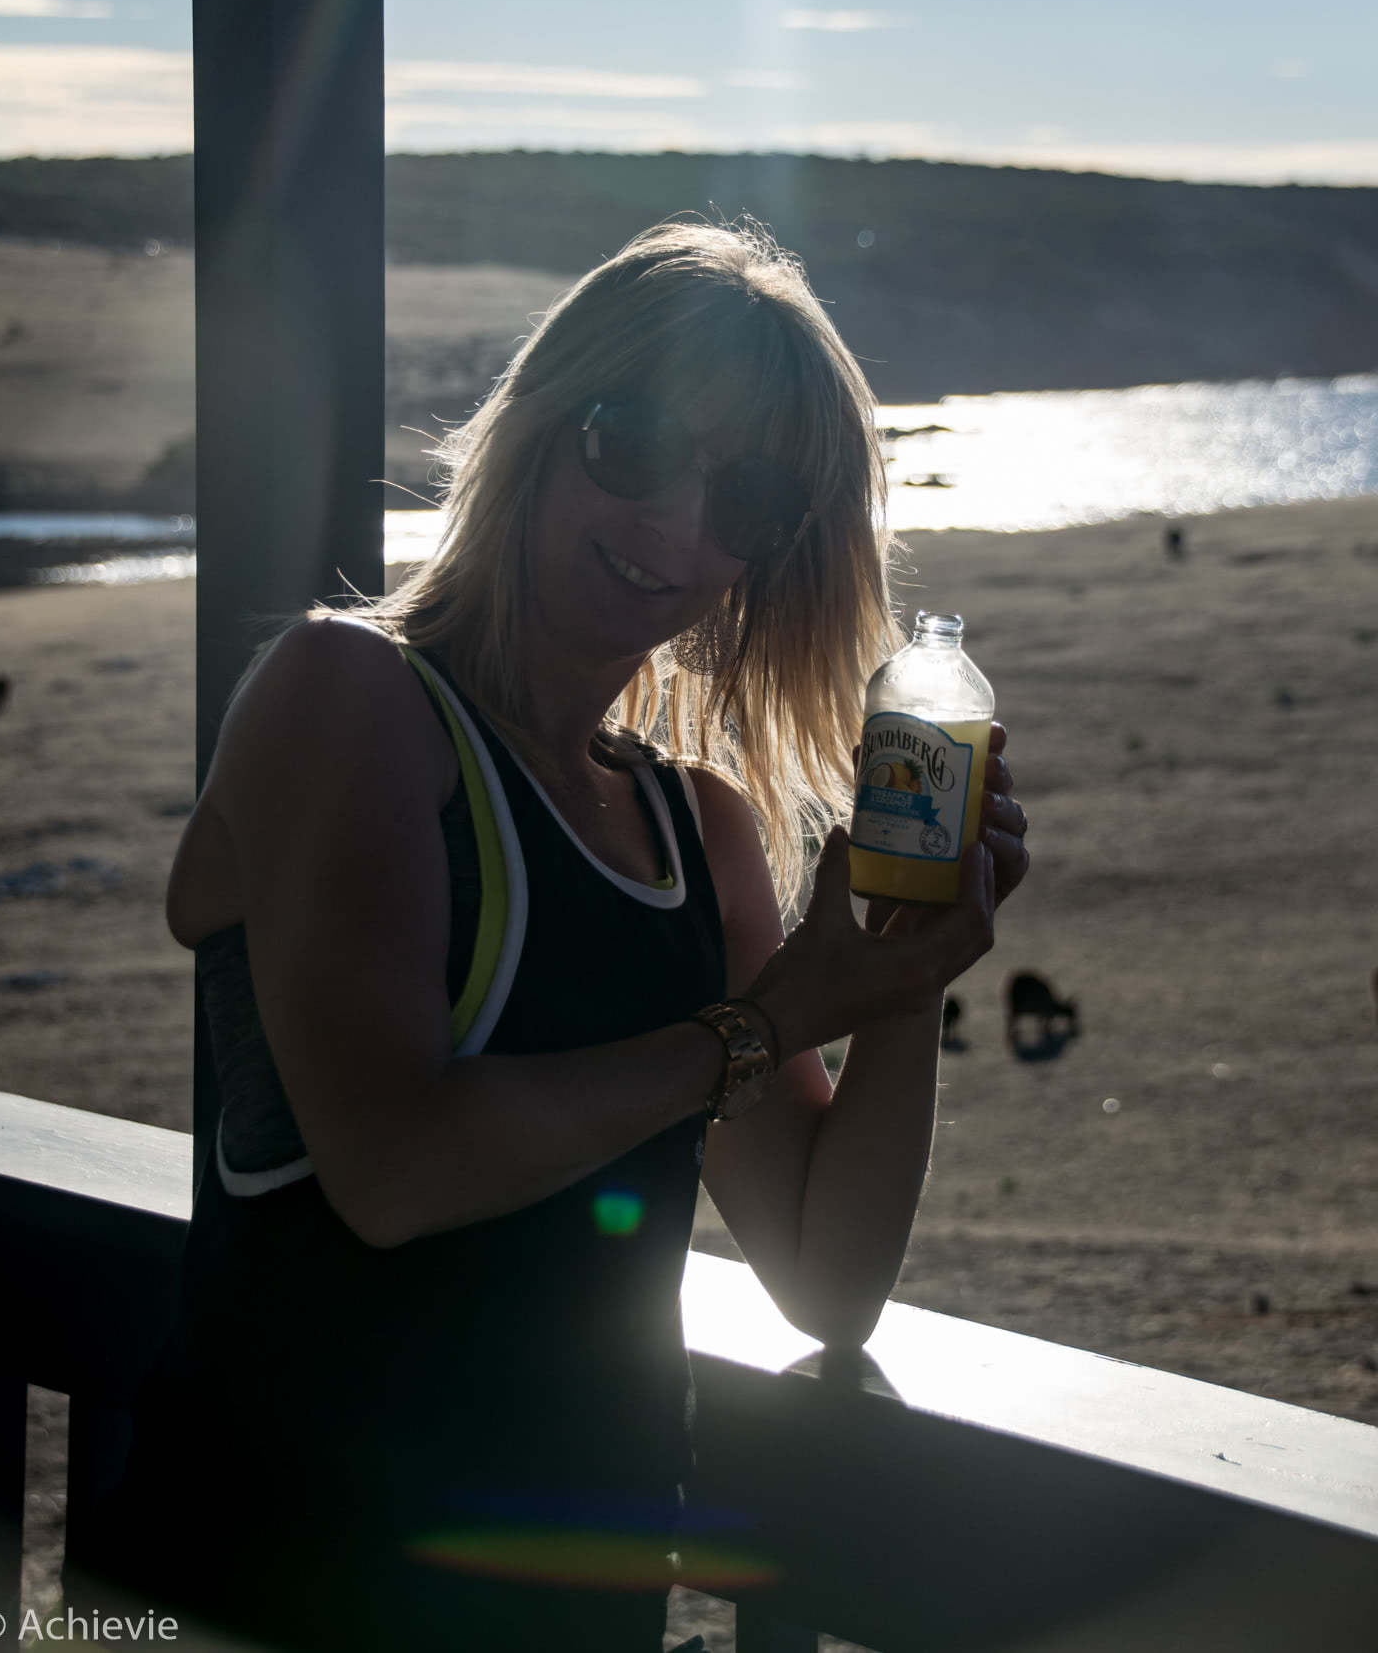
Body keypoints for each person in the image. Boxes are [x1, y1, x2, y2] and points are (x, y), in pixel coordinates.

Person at [73, 219, 1028, 1652]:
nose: (675, 528)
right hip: (269, 1578)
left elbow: (827, 1280)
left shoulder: (698, 829)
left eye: (746, 496)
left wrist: (902, 977)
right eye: (632, 446)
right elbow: (392, 1168)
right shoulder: (350, 695)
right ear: (534, 426)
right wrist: (767, 1021)